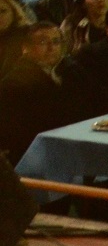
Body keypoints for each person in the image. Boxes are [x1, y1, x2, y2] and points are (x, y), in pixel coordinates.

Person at [0, 23, 80, 164]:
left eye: (56, 42)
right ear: (26, 48)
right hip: (35, 155)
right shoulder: (15, 83)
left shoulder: (71, 71)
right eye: (43, 42)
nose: (51, 48)